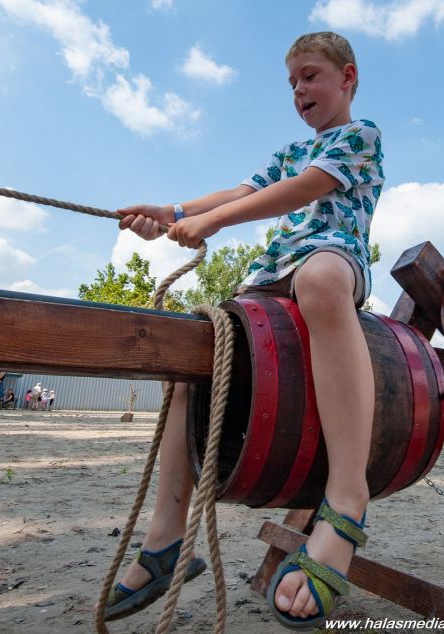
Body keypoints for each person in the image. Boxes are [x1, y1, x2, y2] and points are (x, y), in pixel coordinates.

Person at [105, 31, 384, 629]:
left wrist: (213, 222)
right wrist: (172, 212)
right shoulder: (290, 149)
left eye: (310, 76)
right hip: (270, 273)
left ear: (348, 78)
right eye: (292, 83)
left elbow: (301, 190)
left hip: (331, 257)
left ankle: (347, 498)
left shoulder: (360, 136)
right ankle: (166, 538)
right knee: (199, 348)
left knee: (321, 280)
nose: (299, 90)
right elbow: (242, 191)